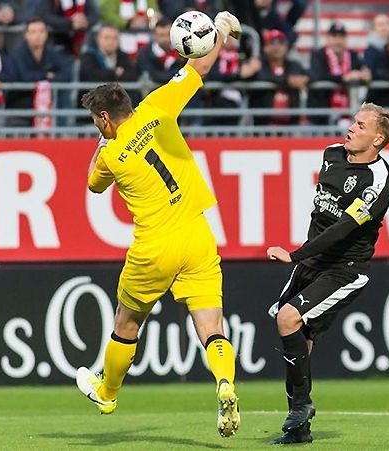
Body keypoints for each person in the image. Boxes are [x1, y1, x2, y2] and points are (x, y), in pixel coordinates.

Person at [75, 10, 243, 439]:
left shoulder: (111, 155)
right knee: (212, 326)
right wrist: (221, 27)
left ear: (105, 119)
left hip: (154, 247)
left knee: (126, 323)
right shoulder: (157, 106)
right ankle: (224, 381)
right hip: (198, 234)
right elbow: (201, 62)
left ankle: (107, 392)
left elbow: (93, 185)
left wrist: (104, 137)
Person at [265, 102, 389, 444]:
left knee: (287, 319)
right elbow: (321, 213)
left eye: (361, 125)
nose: (351, 128)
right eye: (353, 121)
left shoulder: (379, 180)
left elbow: (342, 228)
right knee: (298, 339)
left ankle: (300, 405)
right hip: (313, 263)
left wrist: (296, 254)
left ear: (378, 139)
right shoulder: (331, 154)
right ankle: (299, 426)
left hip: (344, 268)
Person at [7, 17, 73, 127]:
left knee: (63, 98)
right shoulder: (17, 54)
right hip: (22, 103)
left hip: (49, 103)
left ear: (46, 34)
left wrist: (42, 80)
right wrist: (47, 76)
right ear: (26, 35)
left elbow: (66, 74)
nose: (38, 36)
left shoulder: (52, 52)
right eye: (33, 32)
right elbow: (23, 77)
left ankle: (63, 136)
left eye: (41, 31)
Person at [307, 21, 371, 126]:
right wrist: (343, 78)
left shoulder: (352, 55)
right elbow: (317, 75)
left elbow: (363, 70)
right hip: (322, 114)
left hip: (349, 113)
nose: (338, 40)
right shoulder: (319, 55)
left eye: (341, 36)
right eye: (334, 36)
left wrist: (364, 74)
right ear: (328, 38)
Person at [248, 28, 309, 126]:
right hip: (263, 126)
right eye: (272, 43)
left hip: (290, 126)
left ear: (286, 46)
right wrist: (288, 81)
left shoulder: (294, 66)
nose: (276, 47)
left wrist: (306, 79)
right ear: (265, 48)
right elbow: (261, 77)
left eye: (280, 43)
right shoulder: (259, 65)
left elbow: (312, 75)